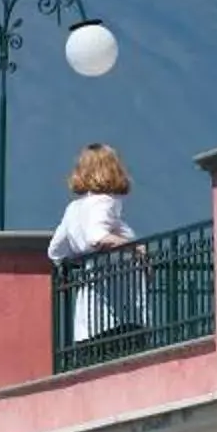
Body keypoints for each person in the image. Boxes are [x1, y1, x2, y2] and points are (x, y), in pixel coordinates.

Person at [50, 142, 139, 344]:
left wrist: (79, 258)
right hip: (119, 314)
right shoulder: (105, 202)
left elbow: (55, 250)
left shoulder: (74, 208)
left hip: (88, 319)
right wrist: (135, 249)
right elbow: (97, 237)